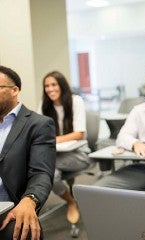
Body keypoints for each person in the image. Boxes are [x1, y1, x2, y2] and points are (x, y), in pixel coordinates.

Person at [0, 65, 56, 240]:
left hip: (10, 206)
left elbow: (41, 173)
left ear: (14, 90)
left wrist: (29, 199)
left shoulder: (38, 124)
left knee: (24, 231)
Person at [37, 71, 91, 226]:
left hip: (79, 154)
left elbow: (79, 134)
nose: (50, 89)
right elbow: (39, 131)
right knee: (50, 174)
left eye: (54, 84)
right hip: (55, 155)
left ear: (62, 85)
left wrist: (53, 140)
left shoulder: (76, 101)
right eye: (47, 86)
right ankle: (71, 201)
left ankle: (71, 203)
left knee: (45, 170)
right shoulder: (44, 104)